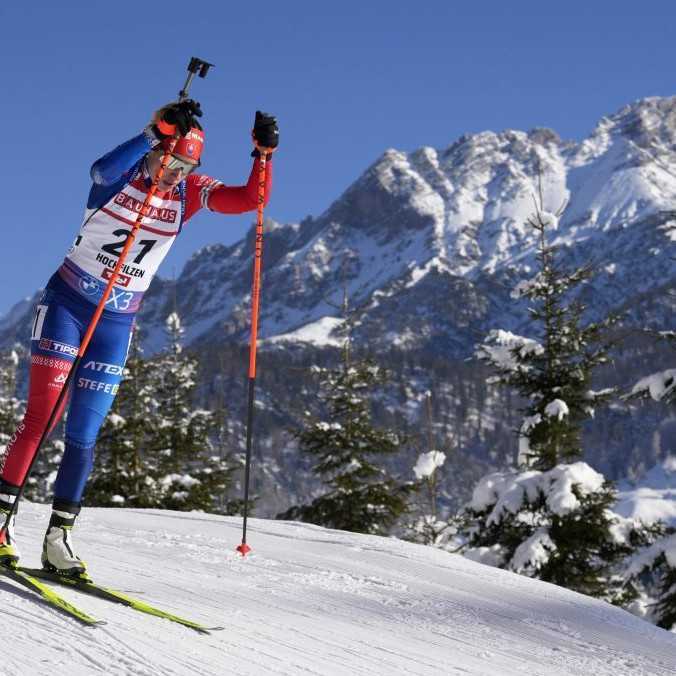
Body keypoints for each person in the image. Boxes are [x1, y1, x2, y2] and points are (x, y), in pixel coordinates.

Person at [0, 100, 279, 575]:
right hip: (69, 304)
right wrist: (155, 133)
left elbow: (249, 200)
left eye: (185, 166)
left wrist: (263, 155)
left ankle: (58, 538)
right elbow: (98, 170)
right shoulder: (123, 175)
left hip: (116, 321)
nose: (173, 173)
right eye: (169, 162)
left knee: (84, 436)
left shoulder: (189, 192)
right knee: (42, 419)